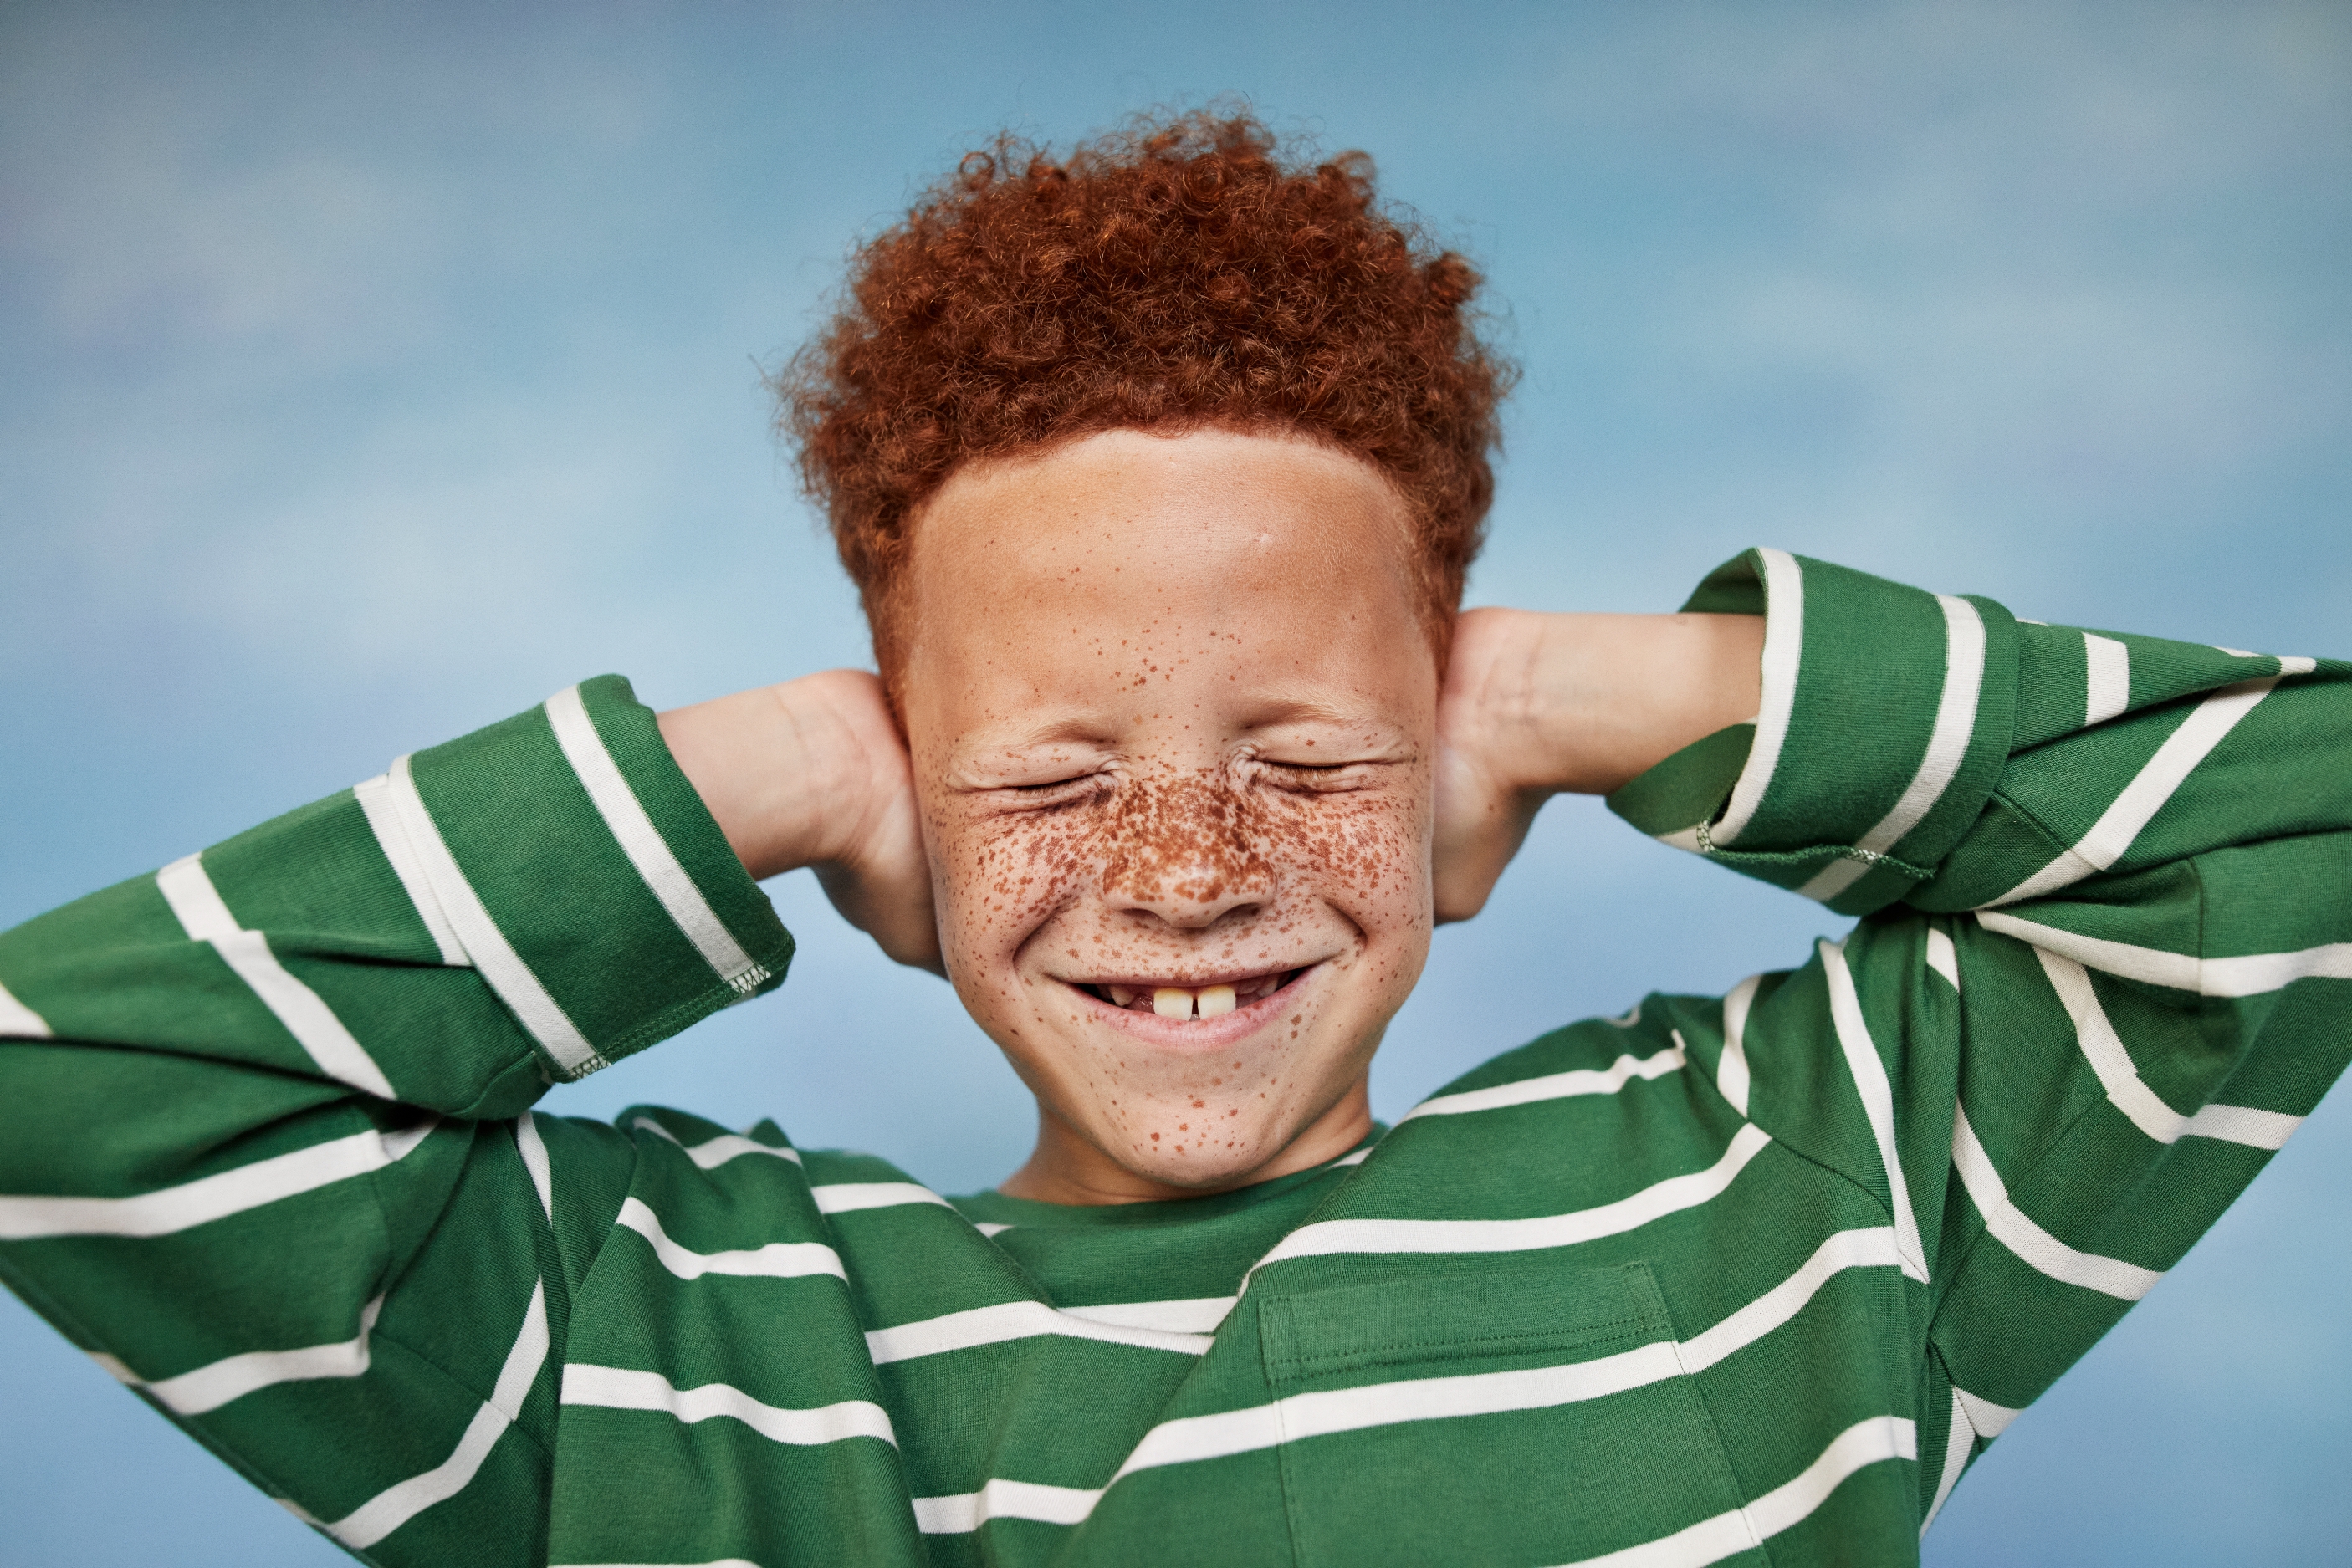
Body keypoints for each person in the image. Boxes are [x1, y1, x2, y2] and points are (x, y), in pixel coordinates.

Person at [1, 111, 2344, 1568]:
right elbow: (70, 1096)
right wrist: (771, 771)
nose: (1190, 864)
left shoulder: (1790, 1188)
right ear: (897, 792)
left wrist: (1579, 690)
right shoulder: (663, 1336)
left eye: (1304, 757)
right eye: (1043, 780)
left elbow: (2300, 814)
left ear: (1446, 753)